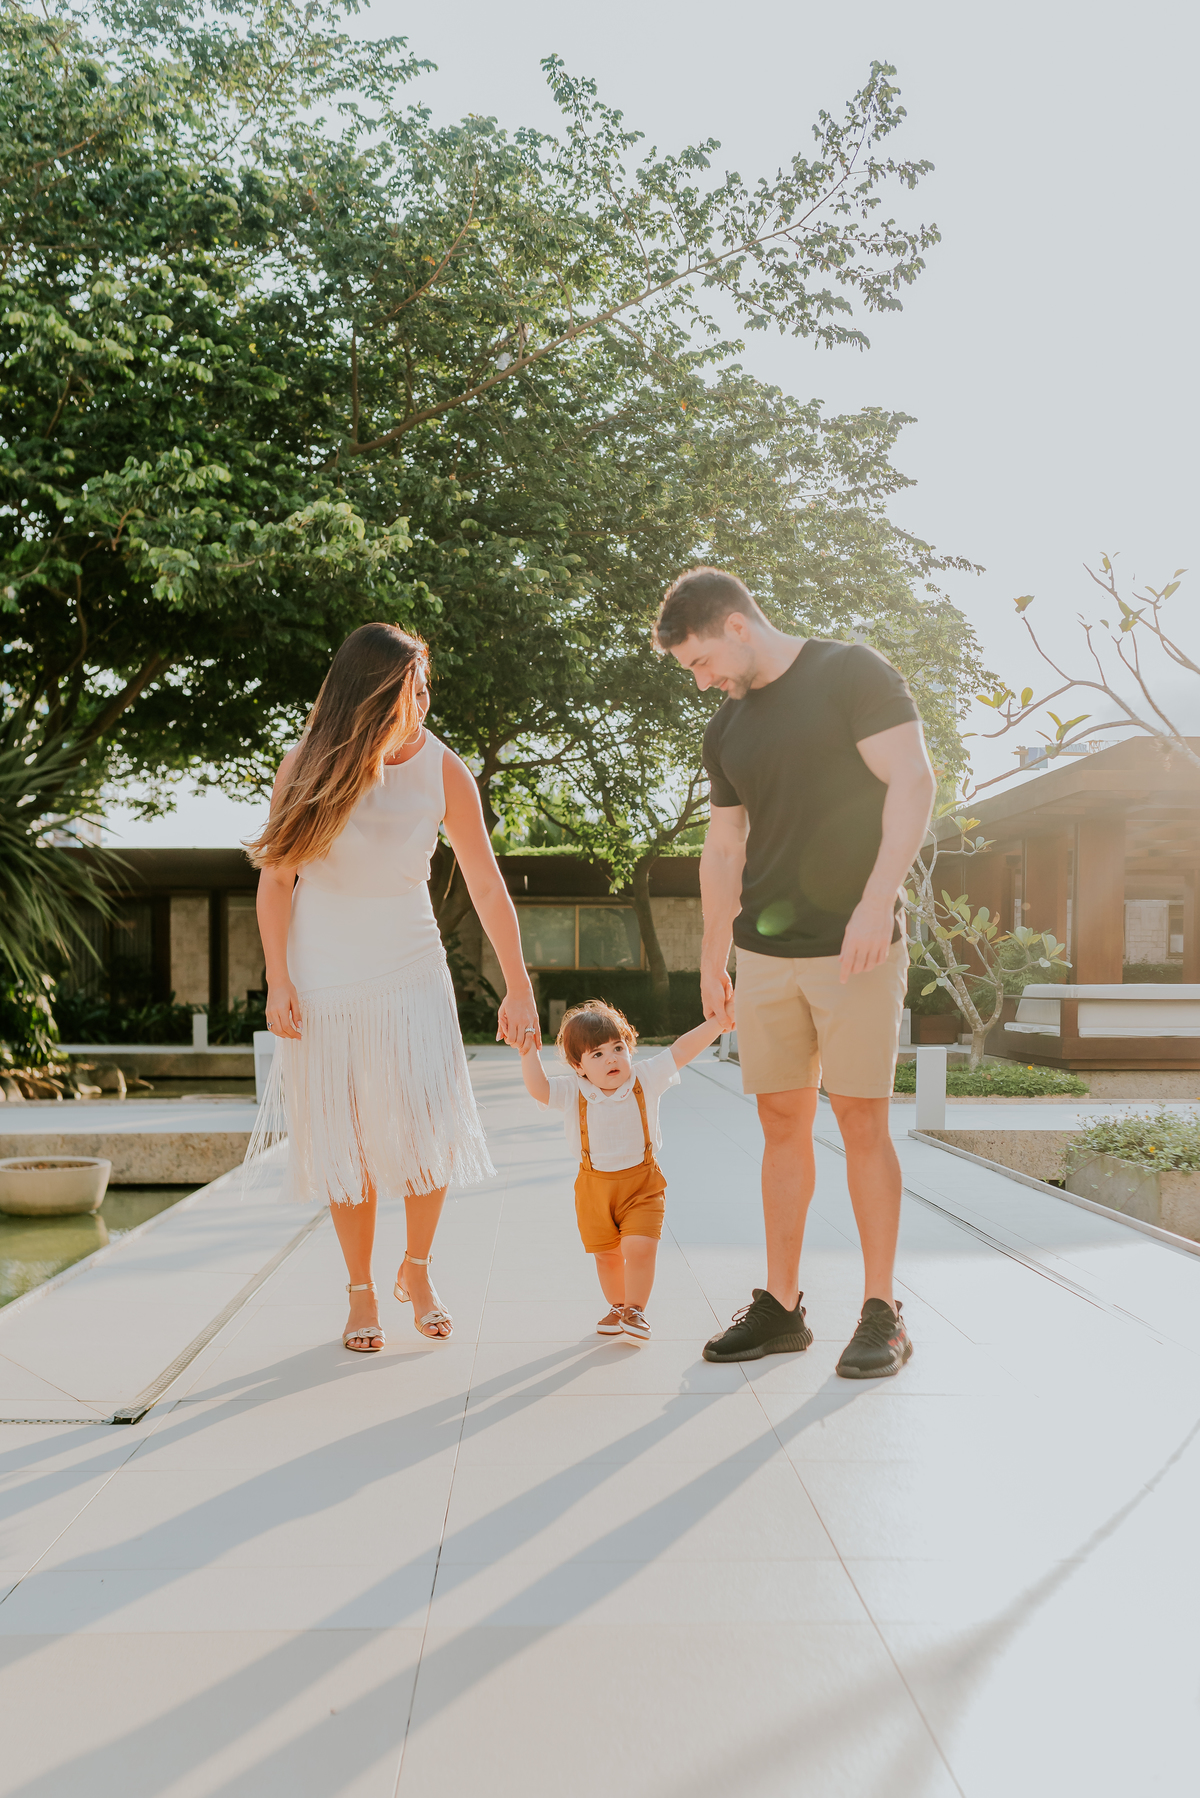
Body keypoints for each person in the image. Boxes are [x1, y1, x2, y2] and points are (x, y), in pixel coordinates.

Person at [654, 567, 936, 1377]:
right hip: (767, 954)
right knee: (781, 1124)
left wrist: (877, 902)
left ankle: (882, 1309)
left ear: (736, 626)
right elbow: (723, 846)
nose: (702, 680)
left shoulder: (852, 672)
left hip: (857, 944)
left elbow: (913, 780)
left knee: (860, 1121)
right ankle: (781, 1307)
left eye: (702, 662)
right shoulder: (726, 730)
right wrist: (714, 950)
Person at [245, 623, 540, 1353]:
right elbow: (277, 882)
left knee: (424, 1135)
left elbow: (486, 884)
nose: (424, 699)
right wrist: (277, 980)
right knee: (349, 1144)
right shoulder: (304, 766)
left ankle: (417, 1268)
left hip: (411, 970)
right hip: (324, 979)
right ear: (375, 693)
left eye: (424, 685)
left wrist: (519, 986)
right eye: (413, 687)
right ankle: (360, 1291)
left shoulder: (445, 771)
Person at [518, 1000, 722, 1339]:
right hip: (594, 1189)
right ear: (578, 1066)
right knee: (607, 1257)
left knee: (640, 1247)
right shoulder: (573, 1090)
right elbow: (539, 1087)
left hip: (642, 1183)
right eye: (596, 1055)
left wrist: (717, 1023)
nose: (611, 1058)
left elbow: (681, 1050)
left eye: (618, 1047)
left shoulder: (645, 1077)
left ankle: (635, 1309)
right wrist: (527, 1053)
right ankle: (617, 1307)